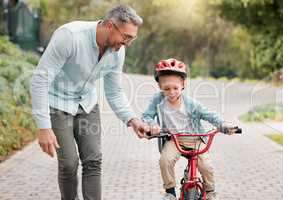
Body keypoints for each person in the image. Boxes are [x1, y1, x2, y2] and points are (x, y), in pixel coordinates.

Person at [30, 5, 148, 200]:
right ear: (110, 26)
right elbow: (40, 81)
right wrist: (43, 127)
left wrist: (133, 120)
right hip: (57, 103)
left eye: (131, 39)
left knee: (93, 160)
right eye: (126, 37)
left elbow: (114, 91)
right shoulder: (70, 36)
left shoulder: (118, 50)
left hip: (86, 103)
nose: (127, 43)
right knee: (69, 163)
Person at [142, 58, 236, 200]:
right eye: (166, 88)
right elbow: (147, 116)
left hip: (195, 138)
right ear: (160, 85)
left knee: (206, 166)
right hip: (174, 139)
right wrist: (152, 126)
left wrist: (223, 125)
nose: (171, 92)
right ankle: (170, 192)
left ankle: (210, 192)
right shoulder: (158, 100)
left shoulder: (191, 104)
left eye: (175, 88)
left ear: (183, 85)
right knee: (165, 161)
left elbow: (209, 115)